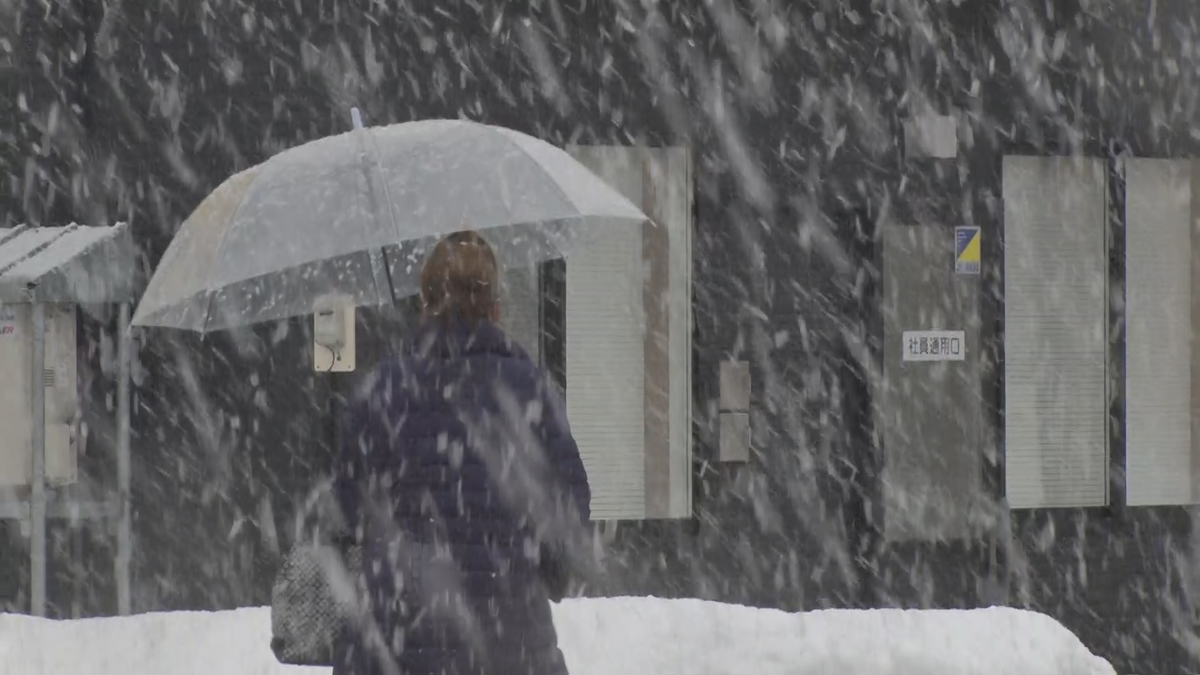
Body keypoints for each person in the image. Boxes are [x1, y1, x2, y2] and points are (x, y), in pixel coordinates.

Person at [331, 230, 593, 675]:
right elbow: (568, 528)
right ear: (495, 307)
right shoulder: (529, 392)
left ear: (424, 304)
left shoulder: (380, 392)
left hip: (393, 646)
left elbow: (345, 513)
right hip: (509, 647)